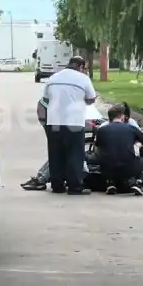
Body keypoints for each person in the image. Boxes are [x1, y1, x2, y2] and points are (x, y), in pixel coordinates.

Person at [42, 55, 97, 195]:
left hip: (53, 121)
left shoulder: (53, 78)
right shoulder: (83, 78)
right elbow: (91, 98)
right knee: (75, 154)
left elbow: (46, 99)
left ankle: (57, 185)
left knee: (55, 154)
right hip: (74, 122)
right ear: (81, 67)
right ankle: (75, 186)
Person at [95, 103, 143, 195]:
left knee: (106, 160)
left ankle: (110, 183)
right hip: (128, 168)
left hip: (108, 168)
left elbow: (98, 149)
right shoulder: (131, 128)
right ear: (121, 116)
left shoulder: (101, 130)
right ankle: (139, 183)